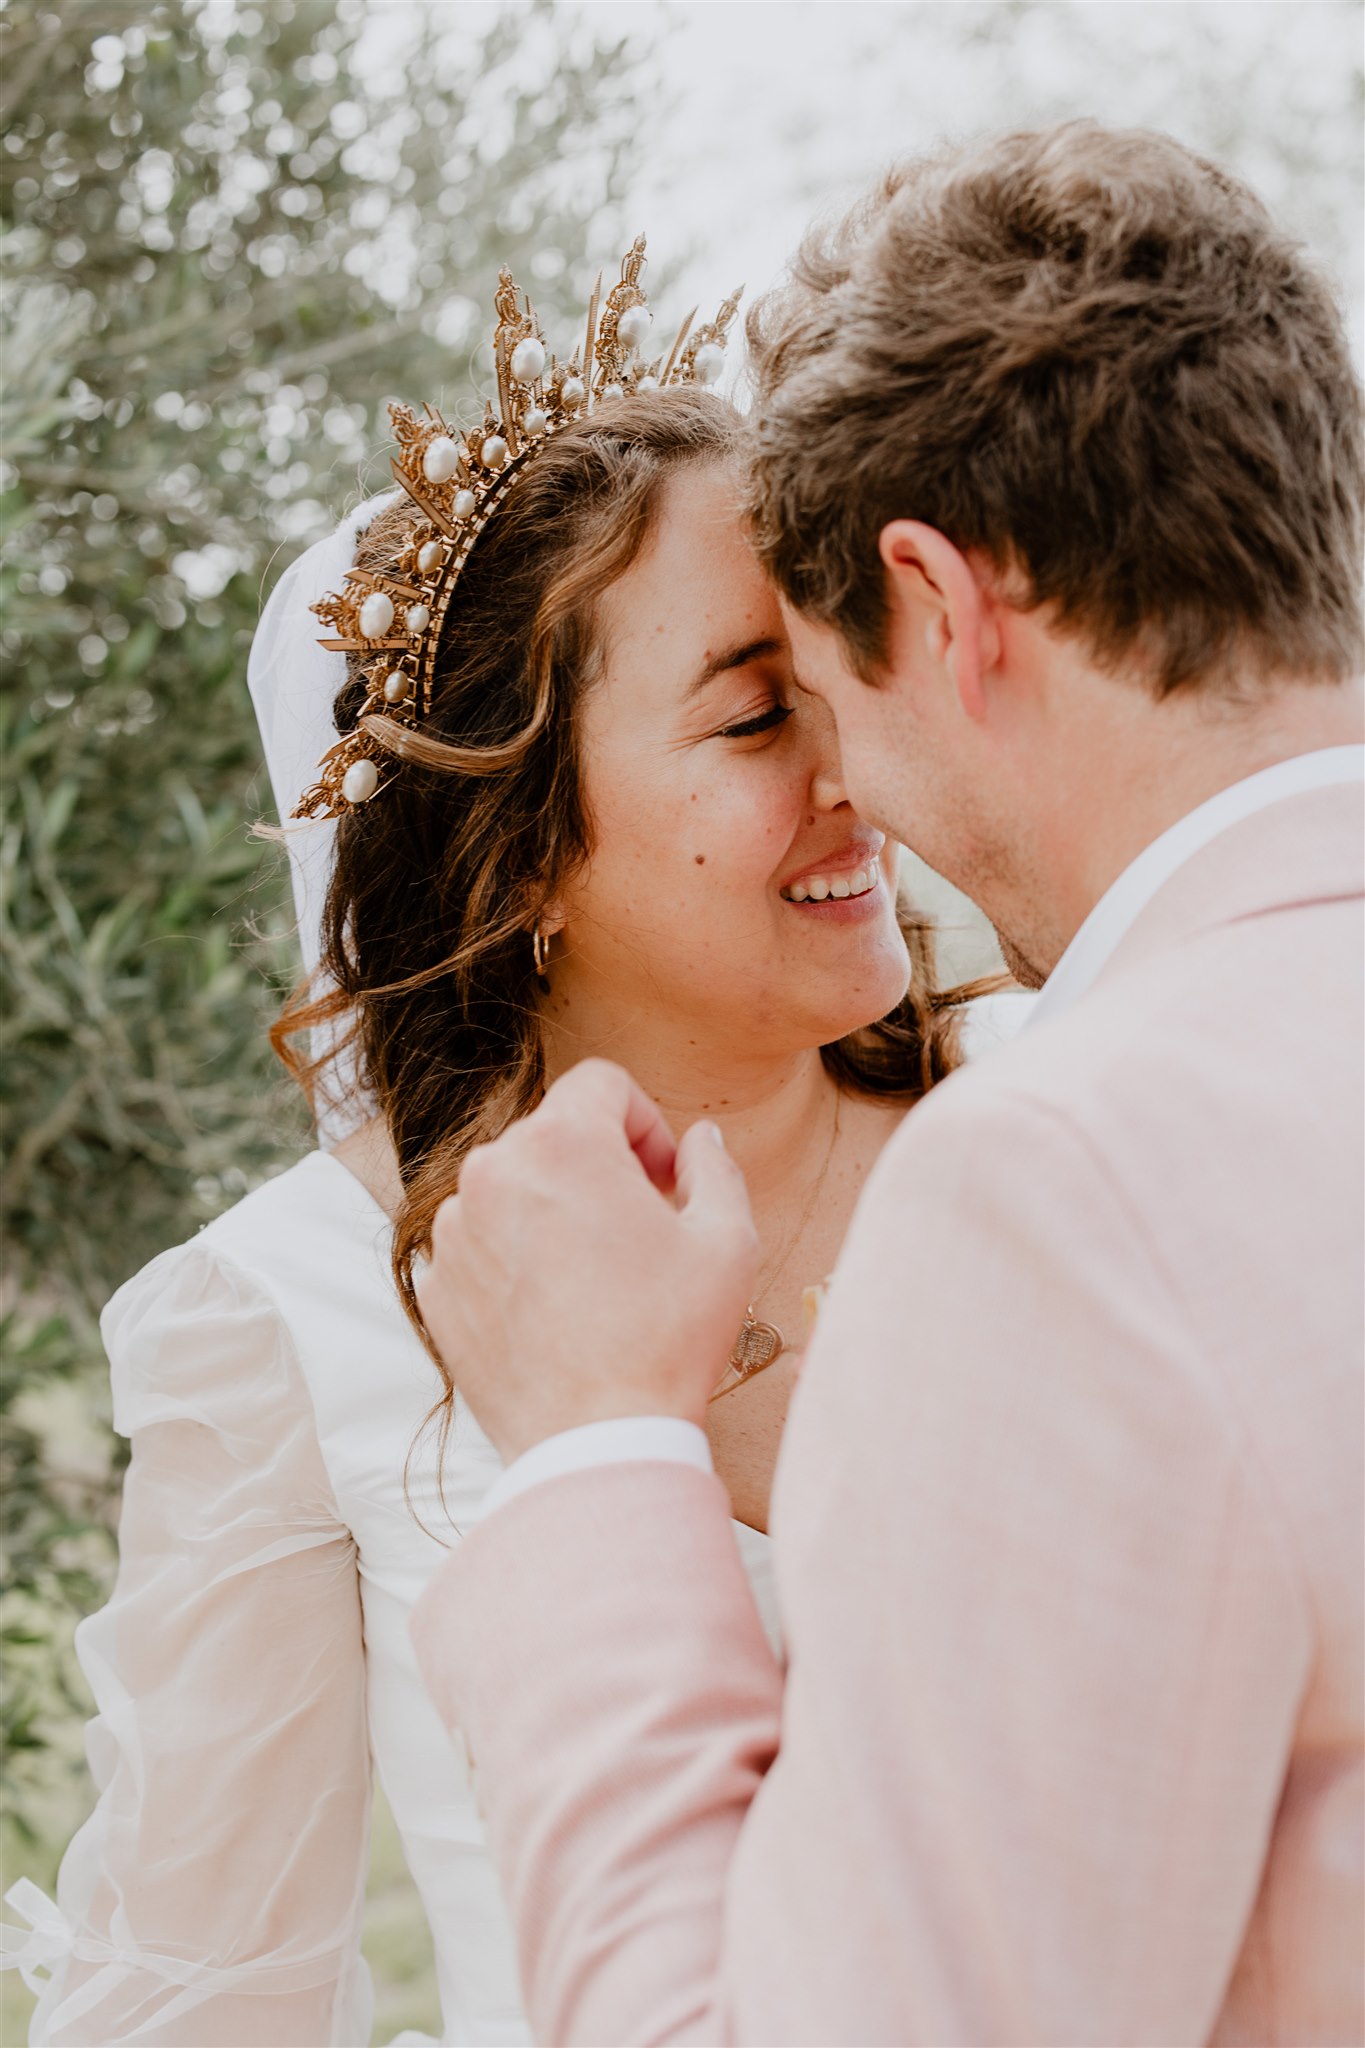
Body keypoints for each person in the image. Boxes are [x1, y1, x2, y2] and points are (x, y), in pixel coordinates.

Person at [408, 125, 1365, 2047]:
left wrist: (594, 1450)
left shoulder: (1065, 1181)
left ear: (935, 603)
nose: (839, 779)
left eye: (817, 685)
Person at [1, 250, 1022, 2047]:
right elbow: (215, 1987)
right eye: (751, 714)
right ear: (524, 853)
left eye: (838, 676)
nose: (854, 768)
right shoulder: (296, 1313)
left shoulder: (1056, 1124)